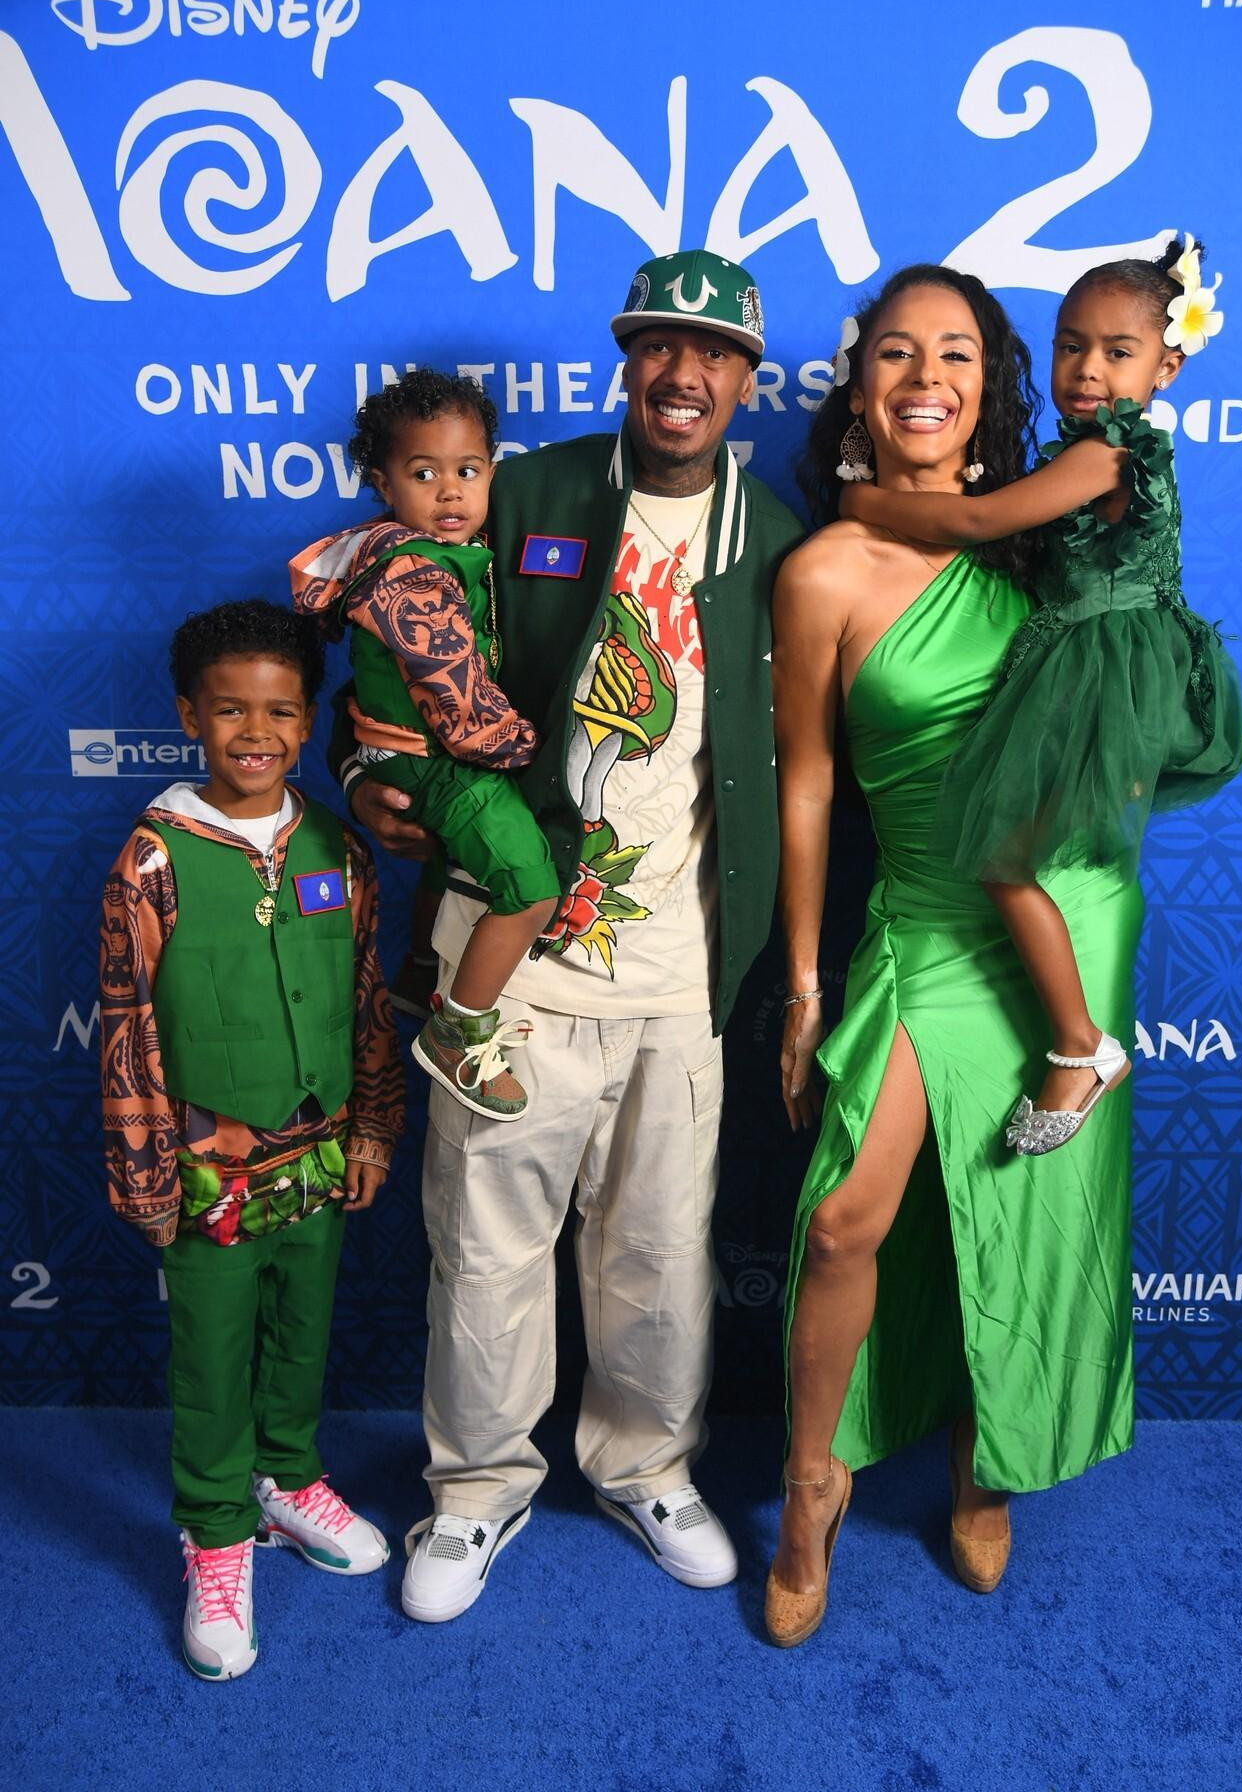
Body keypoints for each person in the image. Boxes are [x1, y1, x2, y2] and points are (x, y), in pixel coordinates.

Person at [340, 249, 805, 1622]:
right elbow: (400, 622)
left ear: (745, 380)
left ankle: (645, 1467)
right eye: (658, 345)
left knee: (659, 1251)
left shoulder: (775, 537)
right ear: (625, 360)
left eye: (712, 353)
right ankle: (475, 1487)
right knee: (485, 1246)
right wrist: (364, 773)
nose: (682, 372)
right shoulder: (525, 492)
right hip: (511, 964)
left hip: (678, 964)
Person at [766, 265, 1139, 1648]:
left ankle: (990, 1461)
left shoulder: (1048, 544)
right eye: (896, 352)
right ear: (859, 380)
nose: (926, 378)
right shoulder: (822, 570)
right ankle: (811, 1483)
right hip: (927, 918)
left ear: (991, 385)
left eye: (958, 355)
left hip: (1064, 914)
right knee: (843, 1220)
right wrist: (803, 983)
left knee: (1025, 1207)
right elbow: (808, 785)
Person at [838, 235, 1242, 1153]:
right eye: (1070, 346)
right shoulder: (1085, 449)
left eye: (1117, 351)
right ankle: (1071, 1036)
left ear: (1166, 367)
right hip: (1089, 661)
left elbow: (980, 517)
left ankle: (1080, 1045)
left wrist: (863, 504)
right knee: (1010, 858)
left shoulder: (1108, 454)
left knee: (1004, 860)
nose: (1087, 370)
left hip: (1099, 673)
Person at [99, 600, 404, 1680]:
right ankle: (217, 1532)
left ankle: (287, 1479)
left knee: (300, 1332)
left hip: (318, 1157)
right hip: (206, 1175)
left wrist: (372, 1127)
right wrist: (146, 1173)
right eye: (230, 710)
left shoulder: (336, 846)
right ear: (191, 716)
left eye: (279, 711)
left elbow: (365, 997)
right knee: (212, 1356)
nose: (256, 733)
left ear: (308, 719)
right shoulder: (154, 860)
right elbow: (128, 1025)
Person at [291, 369, 560, 1121]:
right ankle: (458, 1029)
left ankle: (418, 969)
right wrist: (528, 751)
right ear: (383, 483)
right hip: (433, 756)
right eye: (423, 474)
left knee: (454, 862)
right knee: (530, 888)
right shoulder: (413, 574)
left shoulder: (432, 556)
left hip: (410, 752)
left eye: (467, 471)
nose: (449, 492)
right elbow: (459, 703)